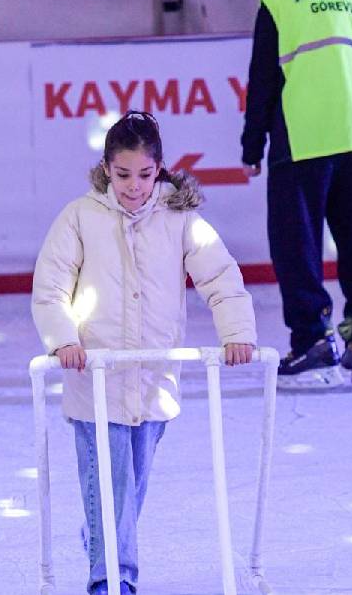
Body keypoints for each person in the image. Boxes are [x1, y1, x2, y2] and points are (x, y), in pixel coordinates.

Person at [32, 111, 257, 595]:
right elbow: (50, 287)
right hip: (96, 378)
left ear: (160, 169)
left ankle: (101, 540)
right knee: (111, 490)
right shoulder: (79, 217)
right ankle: (112, 581)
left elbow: (219, 277)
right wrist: (64, 339)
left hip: (155, 378)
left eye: (145, 174)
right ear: (106, 169)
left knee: (129, 490)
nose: (134, 186)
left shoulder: (181, 220)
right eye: (122, 174)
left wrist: (237, 332)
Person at [240, 0, 352, 390]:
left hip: (302, 143)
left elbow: (263, 80)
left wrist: (253, 148)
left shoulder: (280, 0)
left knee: (298, 246)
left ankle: (313, 339)